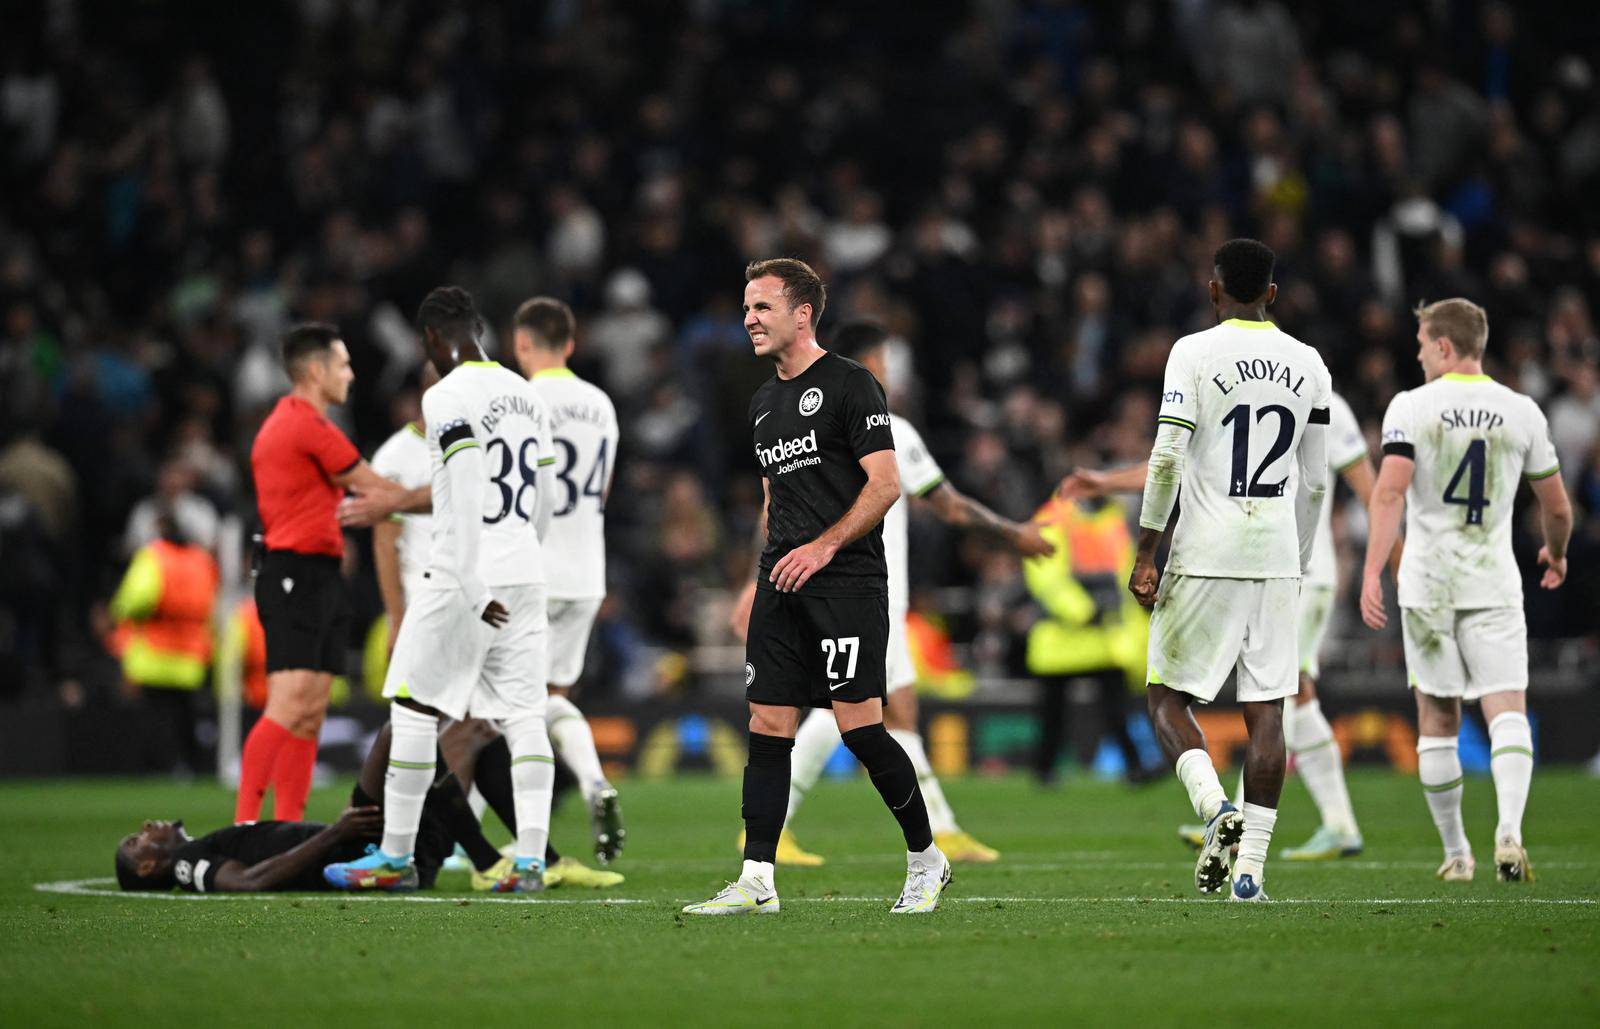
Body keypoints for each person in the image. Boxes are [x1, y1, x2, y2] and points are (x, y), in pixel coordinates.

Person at [683, 259, 949, 917]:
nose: (748, 318)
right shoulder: (763, 401)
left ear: (802, 313)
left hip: (848, 581)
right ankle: (757, 877)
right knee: (768, 721)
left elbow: (885, 485)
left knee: (860, 727)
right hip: (782, 580)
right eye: (746, 308)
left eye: (762, 307)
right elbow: (776, 499)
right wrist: (755, 579)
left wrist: (825, 545)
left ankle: (926, 857)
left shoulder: (853, 384)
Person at [730, 320, 1050, 866]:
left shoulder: (817, 418)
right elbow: (949, 505)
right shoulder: (887, 425)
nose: (888, 371)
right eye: (882, 359)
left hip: (861, 596)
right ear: (865, 363)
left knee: (895, 713)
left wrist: (750, 582)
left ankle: (941, 829)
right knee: (848, 712)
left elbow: (779, 508)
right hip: (861, 595)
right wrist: (1013, 533)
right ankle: (778, 832)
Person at [1064, 386, 1389, 857]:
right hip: (1282, 565)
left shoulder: (1297, 397)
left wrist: (1384, 560)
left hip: (1292, 569)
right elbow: (1188, 466)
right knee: (1297, 690)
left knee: (1278, 692)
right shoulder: (1303, 392)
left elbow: (1370, 489)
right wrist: (1107, 482)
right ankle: (1336, 824)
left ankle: (1233, 819)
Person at [323, 286, 559, 893]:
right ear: (479, 328)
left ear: (429, 339)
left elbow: (463, 490)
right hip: (527, 567)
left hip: (465, 572)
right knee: (526, 715)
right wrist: (523, 562)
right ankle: (530, 861)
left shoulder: (447, 395)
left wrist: (472, 585)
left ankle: (396, 859)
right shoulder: (525, 395)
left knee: (411, 707)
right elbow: (543, 498)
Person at [1131, 239, 1331, 903]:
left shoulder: (1193, 352)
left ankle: (1217, 809)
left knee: (1166, 696)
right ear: (1273, 293)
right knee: (1267, 709)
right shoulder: (1309, 363)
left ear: (1213, 289)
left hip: (1205, 549)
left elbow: (1166, 459)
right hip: (1275, 553)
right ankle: (1251, 874)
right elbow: (1316, 481)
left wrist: (1146, 550)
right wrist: (1297, 554)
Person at [1360, 298, 1571, 883]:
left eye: (1425, 342)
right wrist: (1555, 552)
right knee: (1507, 709)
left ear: (1446, 347)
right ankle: (1510, 830)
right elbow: (1556, 505)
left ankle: (1456, 853)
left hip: (1427, 584)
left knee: (1438, 716)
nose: (1420, 352)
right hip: (1492, 581)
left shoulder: (1411, 406)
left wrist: (1373, 568)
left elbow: (1389, 494)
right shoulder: (1521, 410)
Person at [239, 323, 410, 824]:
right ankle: (244, 828)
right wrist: (440, 497)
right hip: (293, 572)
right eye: (343, 364)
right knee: (289, 703)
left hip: (319, 572)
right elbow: (376, 488)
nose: (351, 375)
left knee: (311, 712)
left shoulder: (300, 423)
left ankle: (289, 827)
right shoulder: (303, 424)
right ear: (315, 371)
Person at [511, 296, 626, 864]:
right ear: (572, 344)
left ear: (522, 344)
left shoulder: (523, 400)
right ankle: (594, 783)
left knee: (512, 705)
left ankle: (512, 837)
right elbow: (601, 490)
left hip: (533, 566)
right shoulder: (601, 404)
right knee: (552, 696)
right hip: (587, 569)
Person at [1021, 492, 1154, 785]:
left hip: (1093, 636)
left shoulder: (1106, 520)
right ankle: (1045, 770)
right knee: (1057, 711)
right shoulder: (1057, 520)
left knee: (1112, 707)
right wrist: (1084, 612)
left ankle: (1133, 766)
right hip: (1066, 635)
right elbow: (1046, 577)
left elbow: (1123, 578)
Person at [106, 507, 220, 774]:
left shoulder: (154, 556)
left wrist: (118, 611)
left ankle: (161, 767)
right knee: (186, 715)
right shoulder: (201, 560)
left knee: (157, 716)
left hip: (155, 651)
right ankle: (191, 767)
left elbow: (139, 598)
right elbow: (211, 602)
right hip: (190, 654)